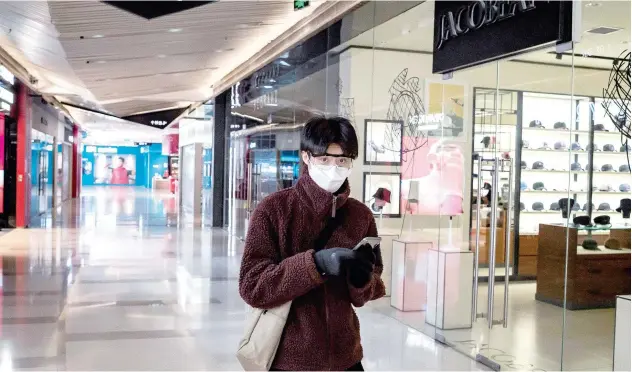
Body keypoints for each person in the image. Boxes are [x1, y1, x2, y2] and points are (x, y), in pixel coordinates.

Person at [239, 116, 385, 371]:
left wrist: (362, 281)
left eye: (342, 160)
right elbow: (252, 287)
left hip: (346, 357)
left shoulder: (360, 216)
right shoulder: (273, 210)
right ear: (306, 157)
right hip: (289, 359)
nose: (334, 168)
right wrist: (315, 264)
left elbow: (370, 289)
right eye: (324, 159)